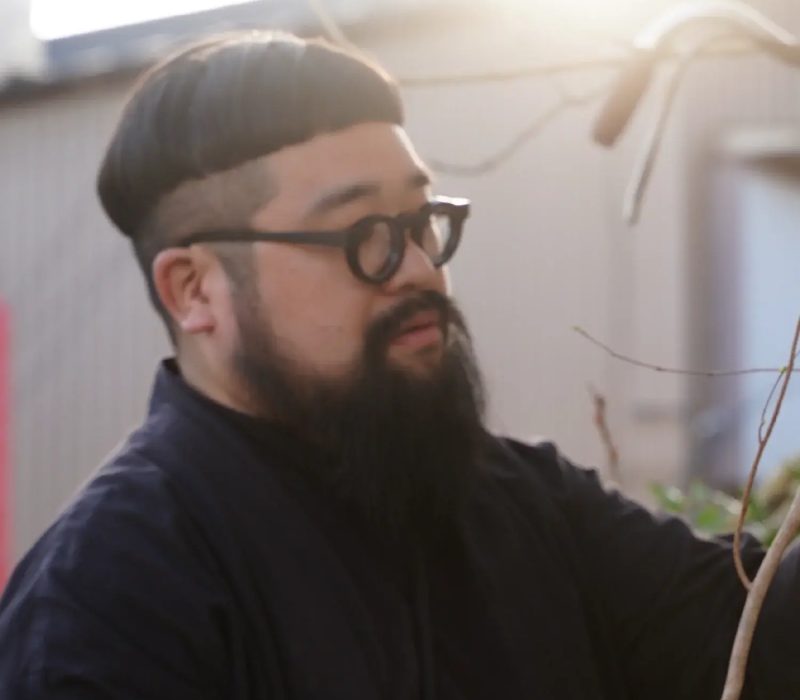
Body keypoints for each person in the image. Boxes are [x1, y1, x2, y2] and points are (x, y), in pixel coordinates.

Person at [0, 30, 798, 700]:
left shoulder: (522, 505)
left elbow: (762, 642)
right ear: (194, 289)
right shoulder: (109, 597)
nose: (419, 270)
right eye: (362, 236)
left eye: (420, 221)